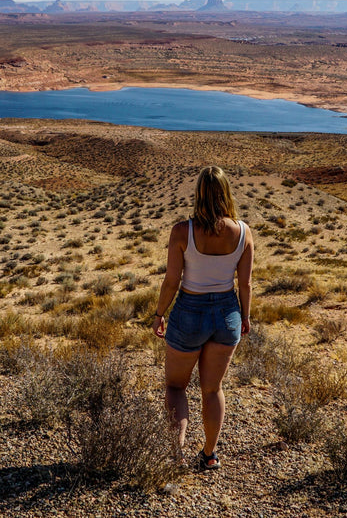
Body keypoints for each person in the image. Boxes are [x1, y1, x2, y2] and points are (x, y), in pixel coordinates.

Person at [152, 166, 254, 470]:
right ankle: (209, 455)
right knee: (212, 389)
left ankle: (177, 454)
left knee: (176, 387)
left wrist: (159, 314)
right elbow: (246, 283)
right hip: (227, 314)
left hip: (189, 312)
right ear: (226, 194)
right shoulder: (244, 232)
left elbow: (172, 280)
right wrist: (245, 316)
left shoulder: (183, 231)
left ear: (199, 193)